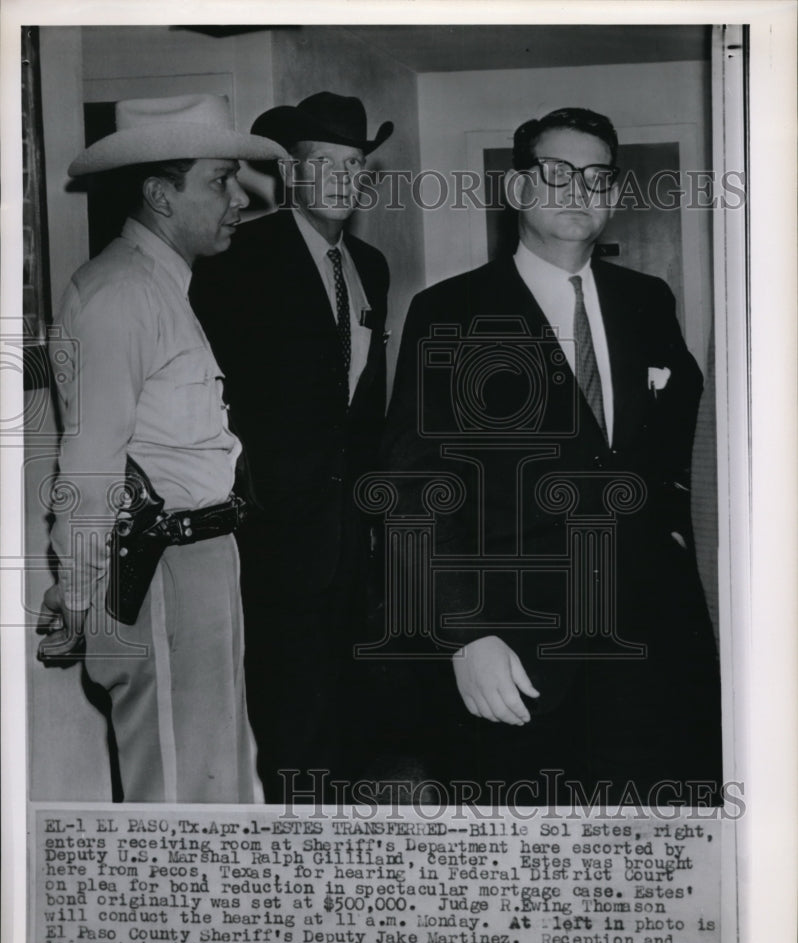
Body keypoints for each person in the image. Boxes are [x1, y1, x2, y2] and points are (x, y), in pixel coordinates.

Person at [382, 107, 722, 804]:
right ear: (516, 190)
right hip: (516, 646)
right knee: (523, 863)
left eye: (598, 177)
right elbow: (411, 486)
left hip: (646, 641)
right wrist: (463, 638)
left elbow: (683, 442)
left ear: (616, 196)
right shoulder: (450, 311)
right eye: (558, 173)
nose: (579, 191)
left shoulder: (647, 302)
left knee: (651, 855)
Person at [37, 94, 285, 802]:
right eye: (219, 180)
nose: (239, 198)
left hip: (195, 559)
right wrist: (83, 596)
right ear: (158, 194)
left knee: (217, 777)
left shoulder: (163, 287)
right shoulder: (121, 293)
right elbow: (87, 471)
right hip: (157, 567)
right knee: (178, 795)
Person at [190, 92, 392, 801]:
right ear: (291, 174)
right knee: (289, 716)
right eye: (323, 163)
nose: (343, 178)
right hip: (274, 533)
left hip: (353, 533)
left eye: (356, 164)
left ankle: (341, 837)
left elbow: (361, 402)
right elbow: (208, 388)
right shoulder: (241, 256)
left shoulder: (371, 263)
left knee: (349, 708)